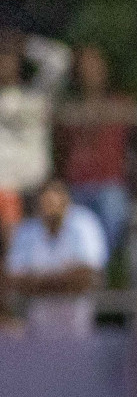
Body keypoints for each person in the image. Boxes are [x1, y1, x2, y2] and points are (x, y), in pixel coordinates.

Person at [54, 45, 136, 249]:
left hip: (110, 185)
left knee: (113, 208)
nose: (90, 70)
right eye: (85, 65)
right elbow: (60, 151)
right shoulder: (67, 111)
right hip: (75, 186)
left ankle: (99, 272)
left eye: (95, 64)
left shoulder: (124, 106)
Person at [4, 179, 107, 338]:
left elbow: (88, 278)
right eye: (45, 203)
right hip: (37, 331)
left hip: (79, 329)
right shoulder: (27, 231)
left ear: (65, 200)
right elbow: (14, 280)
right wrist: (65, 280)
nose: (50, 208)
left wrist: (38, 283)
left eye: (54, 202)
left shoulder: (84, 224)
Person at [0, 30, 71, 240]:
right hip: (4, 190)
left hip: (37, 189)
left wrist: (24, 44)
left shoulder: (37, 95)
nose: (4, 62)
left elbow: (61, 59)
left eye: (8, 56)